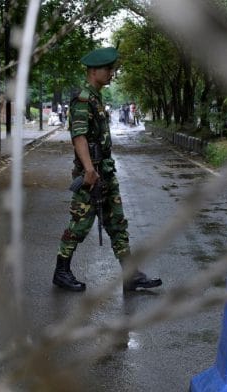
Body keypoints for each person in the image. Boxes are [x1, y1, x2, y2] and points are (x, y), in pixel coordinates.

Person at [53, 47, 162, 292]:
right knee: (79, 224)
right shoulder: (83, 98)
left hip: (106, 172)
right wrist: (89, 171)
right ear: (93, 71)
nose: (112, 73)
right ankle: (61, 271)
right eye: (108, 69)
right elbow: (79, 136)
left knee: (117, 223)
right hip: (91, 175)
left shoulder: (96, 97)